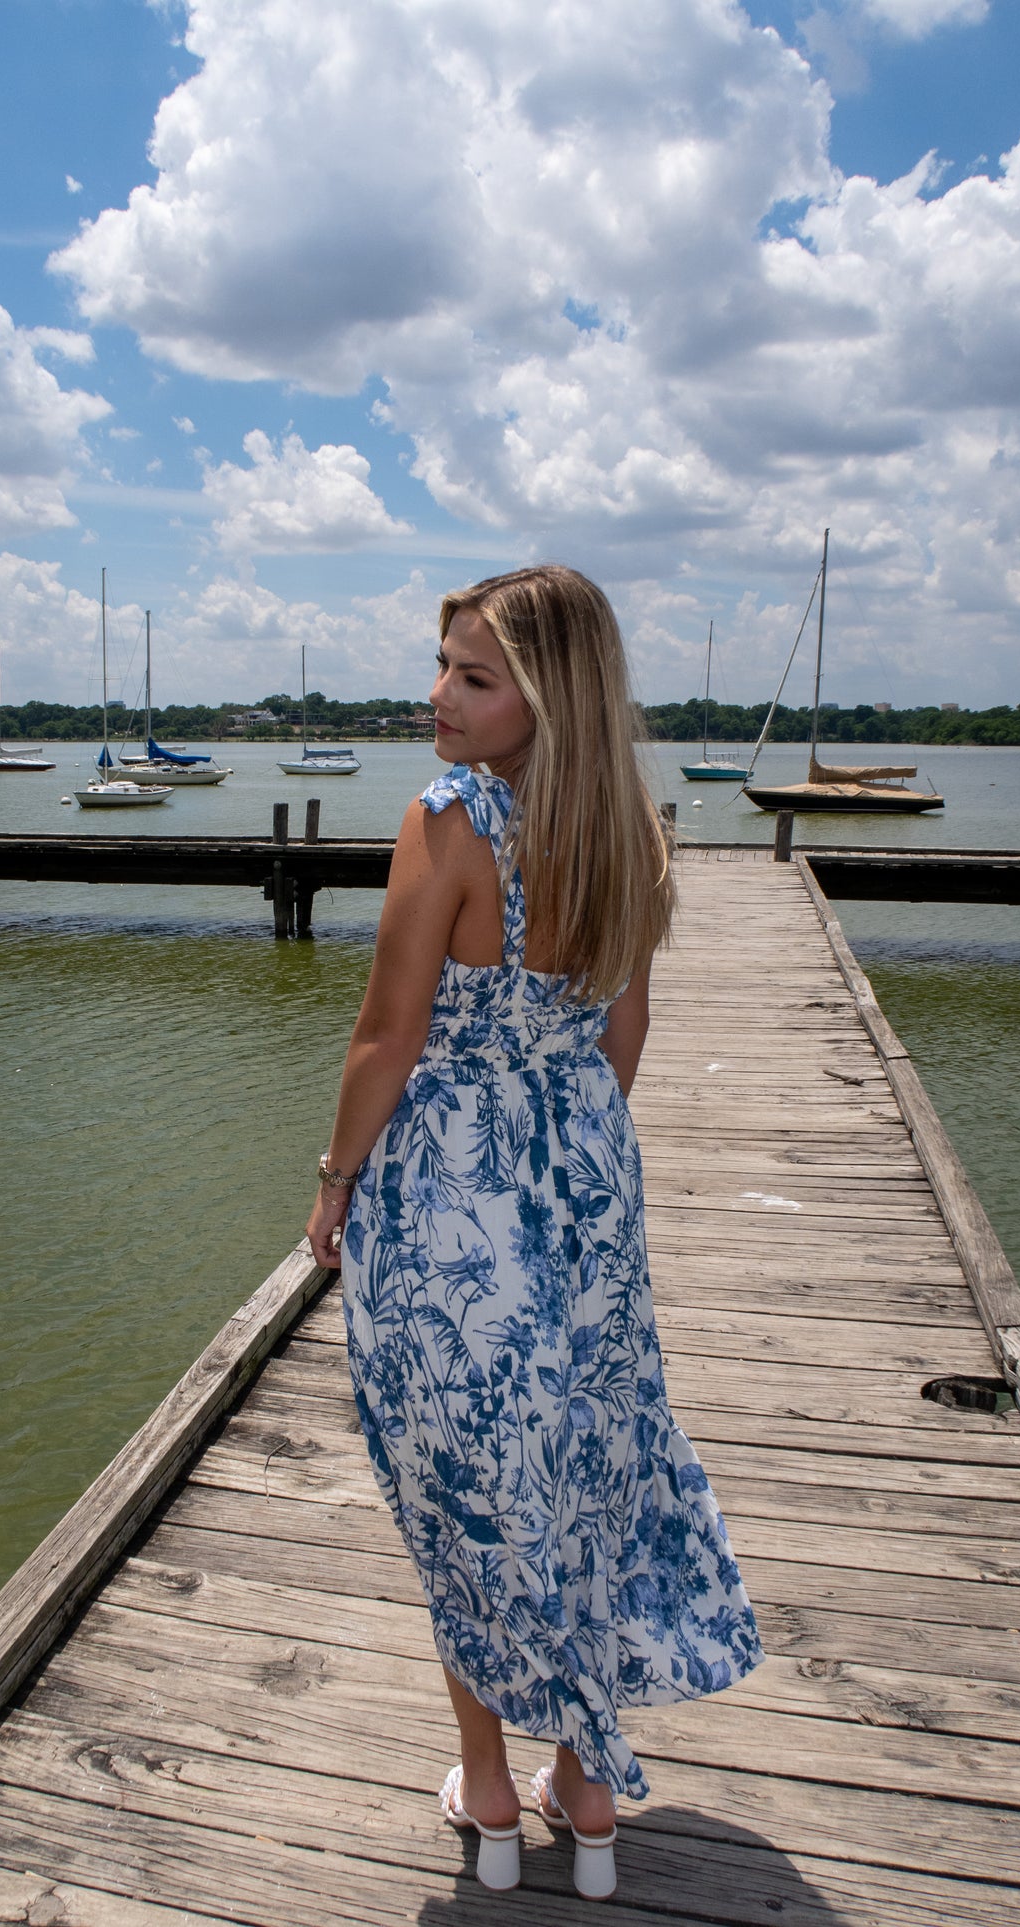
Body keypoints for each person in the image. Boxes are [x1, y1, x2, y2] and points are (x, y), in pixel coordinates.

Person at [306, 565, 762, 1898]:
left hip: (449, 1197)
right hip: (586, 1191)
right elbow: (620, 1035)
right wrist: (568, 1162)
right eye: (442, 664)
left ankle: (494, 1794)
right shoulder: (634, 827)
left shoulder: (448, 824)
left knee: (469, 1495)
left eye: (472, 675)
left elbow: (387, 1036)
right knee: (592, 1473)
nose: (436, 697)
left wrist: (335, 1177)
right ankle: (594, 1788)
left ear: (542, 693)